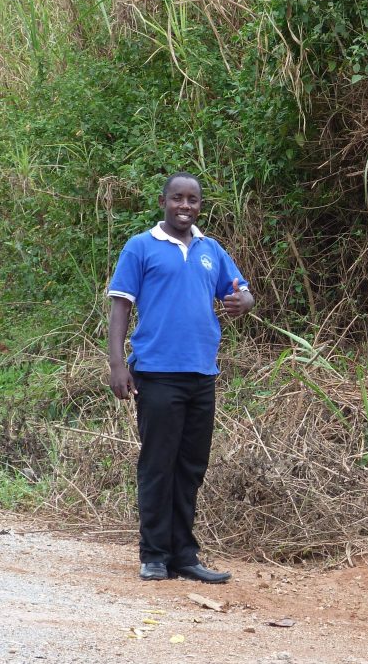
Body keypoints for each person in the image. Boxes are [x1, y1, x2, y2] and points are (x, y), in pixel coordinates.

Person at [107, 171, 254, 583]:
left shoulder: (211, 250)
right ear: (163, 201)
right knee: (158, 464)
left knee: (190, 466)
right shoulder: (141, 247)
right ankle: (154, 555)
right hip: (156, 373)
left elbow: (242, 291)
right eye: (177, 198)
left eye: (192, 200)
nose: (184, 206)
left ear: (200, 205)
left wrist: (243, 300)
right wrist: (117, 365)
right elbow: (120, 307)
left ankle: (184, 555)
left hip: (202, 373)